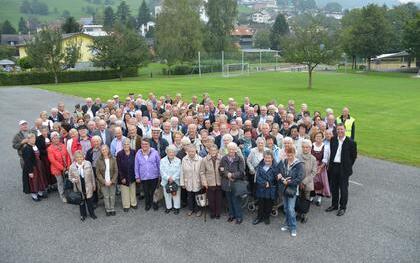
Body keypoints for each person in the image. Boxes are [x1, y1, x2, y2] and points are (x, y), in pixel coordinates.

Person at [326, 123, 357, 216]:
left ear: (345, 130)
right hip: (334, 167)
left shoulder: (351, 142)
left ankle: (343, 207)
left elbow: (353, 156)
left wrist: (348, 166)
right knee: (334, 188)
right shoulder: (333, 140)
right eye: (338, 129)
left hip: (344, 168)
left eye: (341, 129)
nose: (340, 131)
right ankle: (334, 205)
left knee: (343, 189)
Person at [277, 146, 304, 237]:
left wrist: (289, 182)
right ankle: (287, 224)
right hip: (284, 189)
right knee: (285, 208)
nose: (289, 157)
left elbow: (299, 178)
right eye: (288, 155)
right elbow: (278, 170)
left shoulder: (299, 164)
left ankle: (293, 227)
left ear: (294, 154)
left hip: (292, 190)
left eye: (291, 155)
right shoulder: (284, 161)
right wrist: (279, 175)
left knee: (290, 209)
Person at [219, 142, 245, 224]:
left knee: (236, 201)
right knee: (229, 201)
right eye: (230, 149)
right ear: (227, 149)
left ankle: (239, 217)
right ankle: (231, 215)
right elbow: (221, 169)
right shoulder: (224, 158)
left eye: (233, 149)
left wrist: (233, 175)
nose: (231, 151)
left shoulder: (239, 159)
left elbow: (242, 172)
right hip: (226, 183)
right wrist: (227, 174)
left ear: (236, 149)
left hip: (236, 183)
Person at [69, 150, 97, 221]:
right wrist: (73, 180)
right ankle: (83, 215)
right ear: (75, 158)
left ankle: (92, 214)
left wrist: (94, 185)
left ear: (83, 157)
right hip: (78, 186)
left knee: (89, 201)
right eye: (77, 157)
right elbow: (70, 177)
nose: (79, 159)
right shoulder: (72, 166)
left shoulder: (88, 163)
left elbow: (92, 175)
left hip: (88, 185)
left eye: (81, 157)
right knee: (81, 202)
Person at [135, 139, 161, 211]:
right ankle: (148, 204)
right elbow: (136, 166)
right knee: (146, 191)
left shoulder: (155, 152)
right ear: (141, 145)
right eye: (143, 144)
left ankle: (155, 203)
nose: (144, 145)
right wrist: (137, 176)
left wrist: (160, 175)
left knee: (153, 191)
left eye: (146, 144)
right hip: (144, 176)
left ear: (149, 145)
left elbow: (159, 164)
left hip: (154, 176)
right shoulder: (138, 153)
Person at [252, 150, 278, 225]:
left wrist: (269, 183)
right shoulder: (260, 165)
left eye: (269, 158)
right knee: (261, 203)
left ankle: (267, 217)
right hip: (261, 188)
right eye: (265, 158)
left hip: (271, 188)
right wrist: (264, 183)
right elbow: (258, 177)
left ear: (272, 158)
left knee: (269, 204)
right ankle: (259, 217)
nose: (267, 159)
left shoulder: (275, 167)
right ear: (263, 158)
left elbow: (275, 177)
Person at [22, 133, 48, 201]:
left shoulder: (35, 146)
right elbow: (27, 161)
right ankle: (34, 196)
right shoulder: (26, 148)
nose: (33, 140)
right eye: (31, 139)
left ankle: (40, 193)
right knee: (33, 181)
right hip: (32, 167)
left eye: (34, 138)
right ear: (28, 140)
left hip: (38, 165)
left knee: (39, 179)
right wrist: (30, 171)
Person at [297, 139, 317, 223]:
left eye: (307, 147)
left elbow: (314, 172)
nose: (305, 149)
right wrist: (299, 181)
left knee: (306, 199)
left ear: (310, 148)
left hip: (308, 183)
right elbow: (295, 169)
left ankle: (304, 215)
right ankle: (298, 213)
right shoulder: (298, 157)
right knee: (299, 199)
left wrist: (304, 182)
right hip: (298, 182)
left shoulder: (313, 159)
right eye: (303, 147)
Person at [200, 144, 222, 219]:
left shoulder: (221, 158)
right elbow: (202, 172)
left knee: (218, 199)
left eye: (214, 150)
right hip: (209, 183)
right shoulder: (204, 160)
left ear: (217, 151)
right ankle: (212, 212)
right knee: (211, 199)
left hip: (219, 182)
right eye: (211, 150)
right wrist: (204, 182)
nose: (213, 151)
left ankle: (218, 212)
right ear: (209, 151)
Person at [47, 132, 71, 203]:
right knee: (60, 182)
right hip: (57, 169)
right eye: (54, 138)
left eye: (57, 138)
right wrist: (62, 168)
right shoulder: (50, 148)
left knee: (67, 181)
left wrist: (69, 165)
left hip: (66, 167)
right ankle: (62, 195)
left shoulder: (63, 145)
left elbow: (68, 156)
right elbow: (53, 160)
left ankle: (68, 194)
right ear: (51, 139)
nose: (56, 139)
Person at [181, 144, 203, 217]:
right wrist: (182, 183)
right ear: (187, 151)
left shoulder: (200, 159)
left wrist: (203, 182)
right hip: (188, 181)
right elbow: (182, 172)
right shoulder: (184, 159)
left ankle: (198, 210)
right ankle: (190, 209)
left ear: (195, 151)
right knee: (190, 196)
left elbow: (202, 172)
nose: (191, 153)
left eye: (193, 151)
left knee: (197, 196)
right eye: (189, 151)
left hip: (197, 181)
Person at [96, 145, 118, 216]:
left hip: (112, 181)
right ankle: (108, 209)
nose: (104, 151)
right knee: (106, 196)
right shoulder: (99, 160)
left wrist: (112, 181)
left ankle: (112, 208)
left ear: (108, 150)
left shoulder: (113, 159)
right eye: (103, 150)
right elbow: (98, 173)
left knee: (112, 195)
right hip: (103, 182)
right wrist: (104, 181)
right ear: (101, 151)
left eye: (105, 149)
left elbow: (116, 171)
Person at [160, 145, 182, 214]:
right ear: (167, 152)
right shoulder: (162, 160)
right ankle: (168, 207)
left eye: (173, 152)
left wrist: (173, 178)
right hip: (166, 180)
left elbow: (179, 171)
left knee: (176, 194)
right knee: (167, 194)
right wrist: (168, 178)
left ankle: (176, 207)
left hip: (175, 181)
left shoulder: (178, 160)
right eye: (169, 152)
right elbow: (161, 171)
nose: (171, 154)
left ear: (175, 153)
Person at [116, 140, 137, 212]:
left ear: (130, 145)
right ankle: (126, 205)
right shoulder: (119, 154)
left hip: (132, 174)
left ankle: (133, 203)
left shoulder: (134, 152)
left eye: (127, 144)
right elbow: (118, 167)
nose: (126, 146)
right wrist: (122, 177)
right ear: (122, 145)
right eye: (124, 144)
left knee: (132, 190)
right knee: (125, 191)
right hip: (123, 175)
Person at [311, 131, 331, 206]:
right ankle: (312, 196)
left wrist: (320, 167)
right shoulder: (312, 145)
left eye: (320, 136)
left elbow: (325, 159)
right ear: (314, 138)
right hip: (312, 166)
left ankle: (319, 198)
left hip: (320, 167)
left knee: (320, 183)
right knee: (312, 182)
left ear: (322, 138)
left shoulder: (325, 147)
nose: (318, 138)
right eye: (317, 136)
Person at [35, 126, 56, 190]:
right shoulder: (38, 139)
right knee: (46, 171)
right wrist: (47, 151)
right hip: (44, 158)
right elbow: (39, 150)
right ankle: (48, 185)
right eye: (43, 131)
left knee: (52, 170)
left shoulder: (50, 137)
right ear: (41, 132)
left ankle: (53, 184)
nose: (44, 132)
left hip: (51, 156)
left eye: (45, 131)